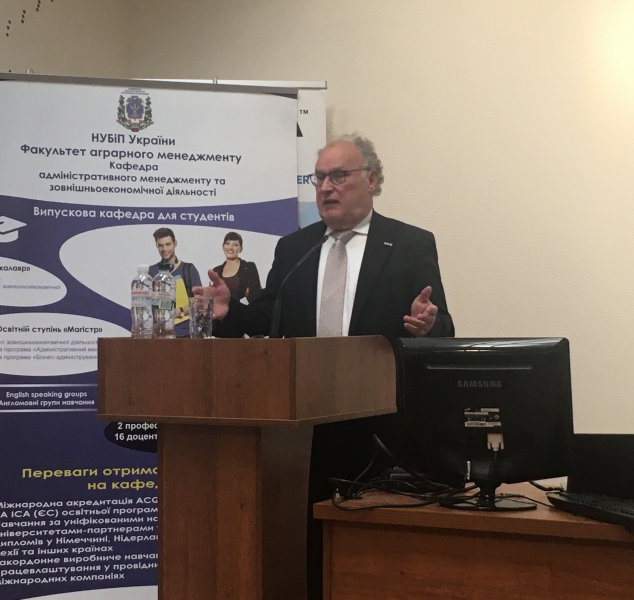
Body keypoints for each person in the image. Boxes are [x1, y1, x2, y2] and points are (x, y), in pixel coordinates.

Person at [193, 134, 454, 600]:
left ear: (372, 180)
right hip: (304, 429)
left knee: (376, 556)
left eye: (339, 176)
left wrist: (427, 325)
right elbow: (269, 317)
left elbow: (442, 325)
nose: (326, 187)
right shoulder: (295, 248)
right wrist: (229, 313)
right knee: (313, 545)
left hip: (380, 427)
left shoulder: (410, 244)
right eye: (319, 179)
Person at [149, 227, 202, 338]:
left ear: (175, 243)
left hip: (187, 335)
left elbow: (199, 303)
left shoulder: (188, 269)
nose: (164, 249)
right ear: (156, 246)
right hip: (159, 335)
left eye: (168, 244)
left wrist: (179, 311)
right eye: (160, 245)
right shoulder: (151, 272)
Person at [211, 231, 262, 304]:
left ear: (240, 249)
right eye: (227, 243)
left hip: (242, 310)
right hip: (220, 310)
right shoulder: (216, 271)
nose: (230, 247)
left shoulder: (248, 267)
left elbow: (257, 297)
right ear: (223, 247)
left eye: (235, 245)